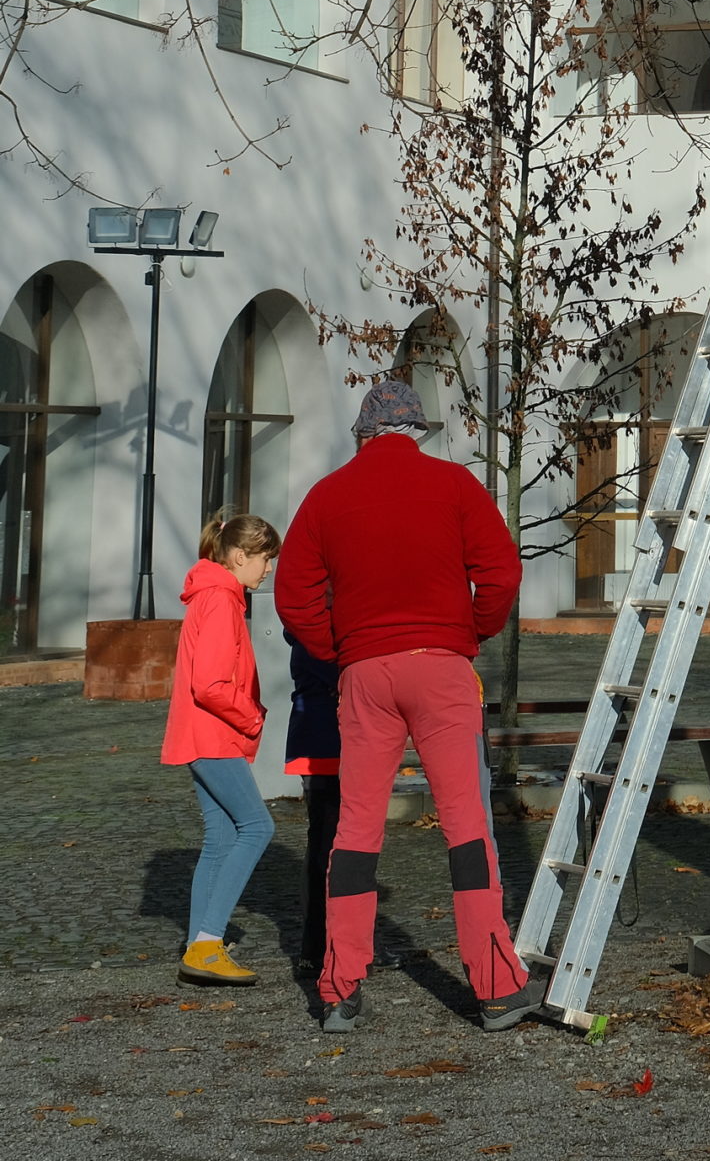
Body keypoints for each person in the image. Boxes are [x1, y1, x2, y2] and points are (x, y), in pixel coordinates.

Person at [274, 375, 534, 1034]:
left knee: (356, 830)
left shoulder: (327, 497)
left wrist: (340, 649)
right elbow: (502, 572)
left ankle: (338, 989)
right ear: (417, 430)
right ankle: (497, 987)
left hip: (365, 673)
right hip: (441, 668)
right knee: (466, 827)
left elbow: (293, 594)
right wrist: (470, 631)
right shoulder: (455, 487)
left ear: (363, 435)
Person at [161, 508, 282, 987]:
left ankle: (200, 946)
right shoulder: (219, 600)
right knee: (257, 827)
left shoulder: (217, 595)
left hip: (203, 735)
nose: (269, 567)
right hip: (211, 735)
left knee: (221, 838)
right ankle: (208, 943)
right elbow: (210, 684)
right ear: (237, 556)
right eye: (264, 558)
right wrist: (252, 715)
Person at [284, 628, 342, 980]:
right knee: (327, 846)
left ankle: (320, 946)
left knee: (327, 844)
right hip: (325, 746)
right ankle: (318, 946)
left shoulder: (313, 631)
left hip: (326, 743)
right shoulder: (315, 634)